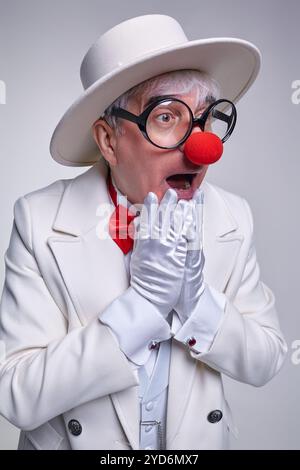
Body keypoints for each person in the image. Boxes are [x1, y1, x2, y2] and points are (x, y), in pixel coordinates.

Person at [0, 14, 287, 451]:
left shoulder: (233, 217)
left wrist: (199, 307)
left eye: (206, 119)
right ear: (109, 141)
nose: (201, 146)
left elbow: (266, 360)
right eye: (167, 117)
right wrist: (140, 309)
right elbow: (16, 394)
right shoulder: (39, 220)